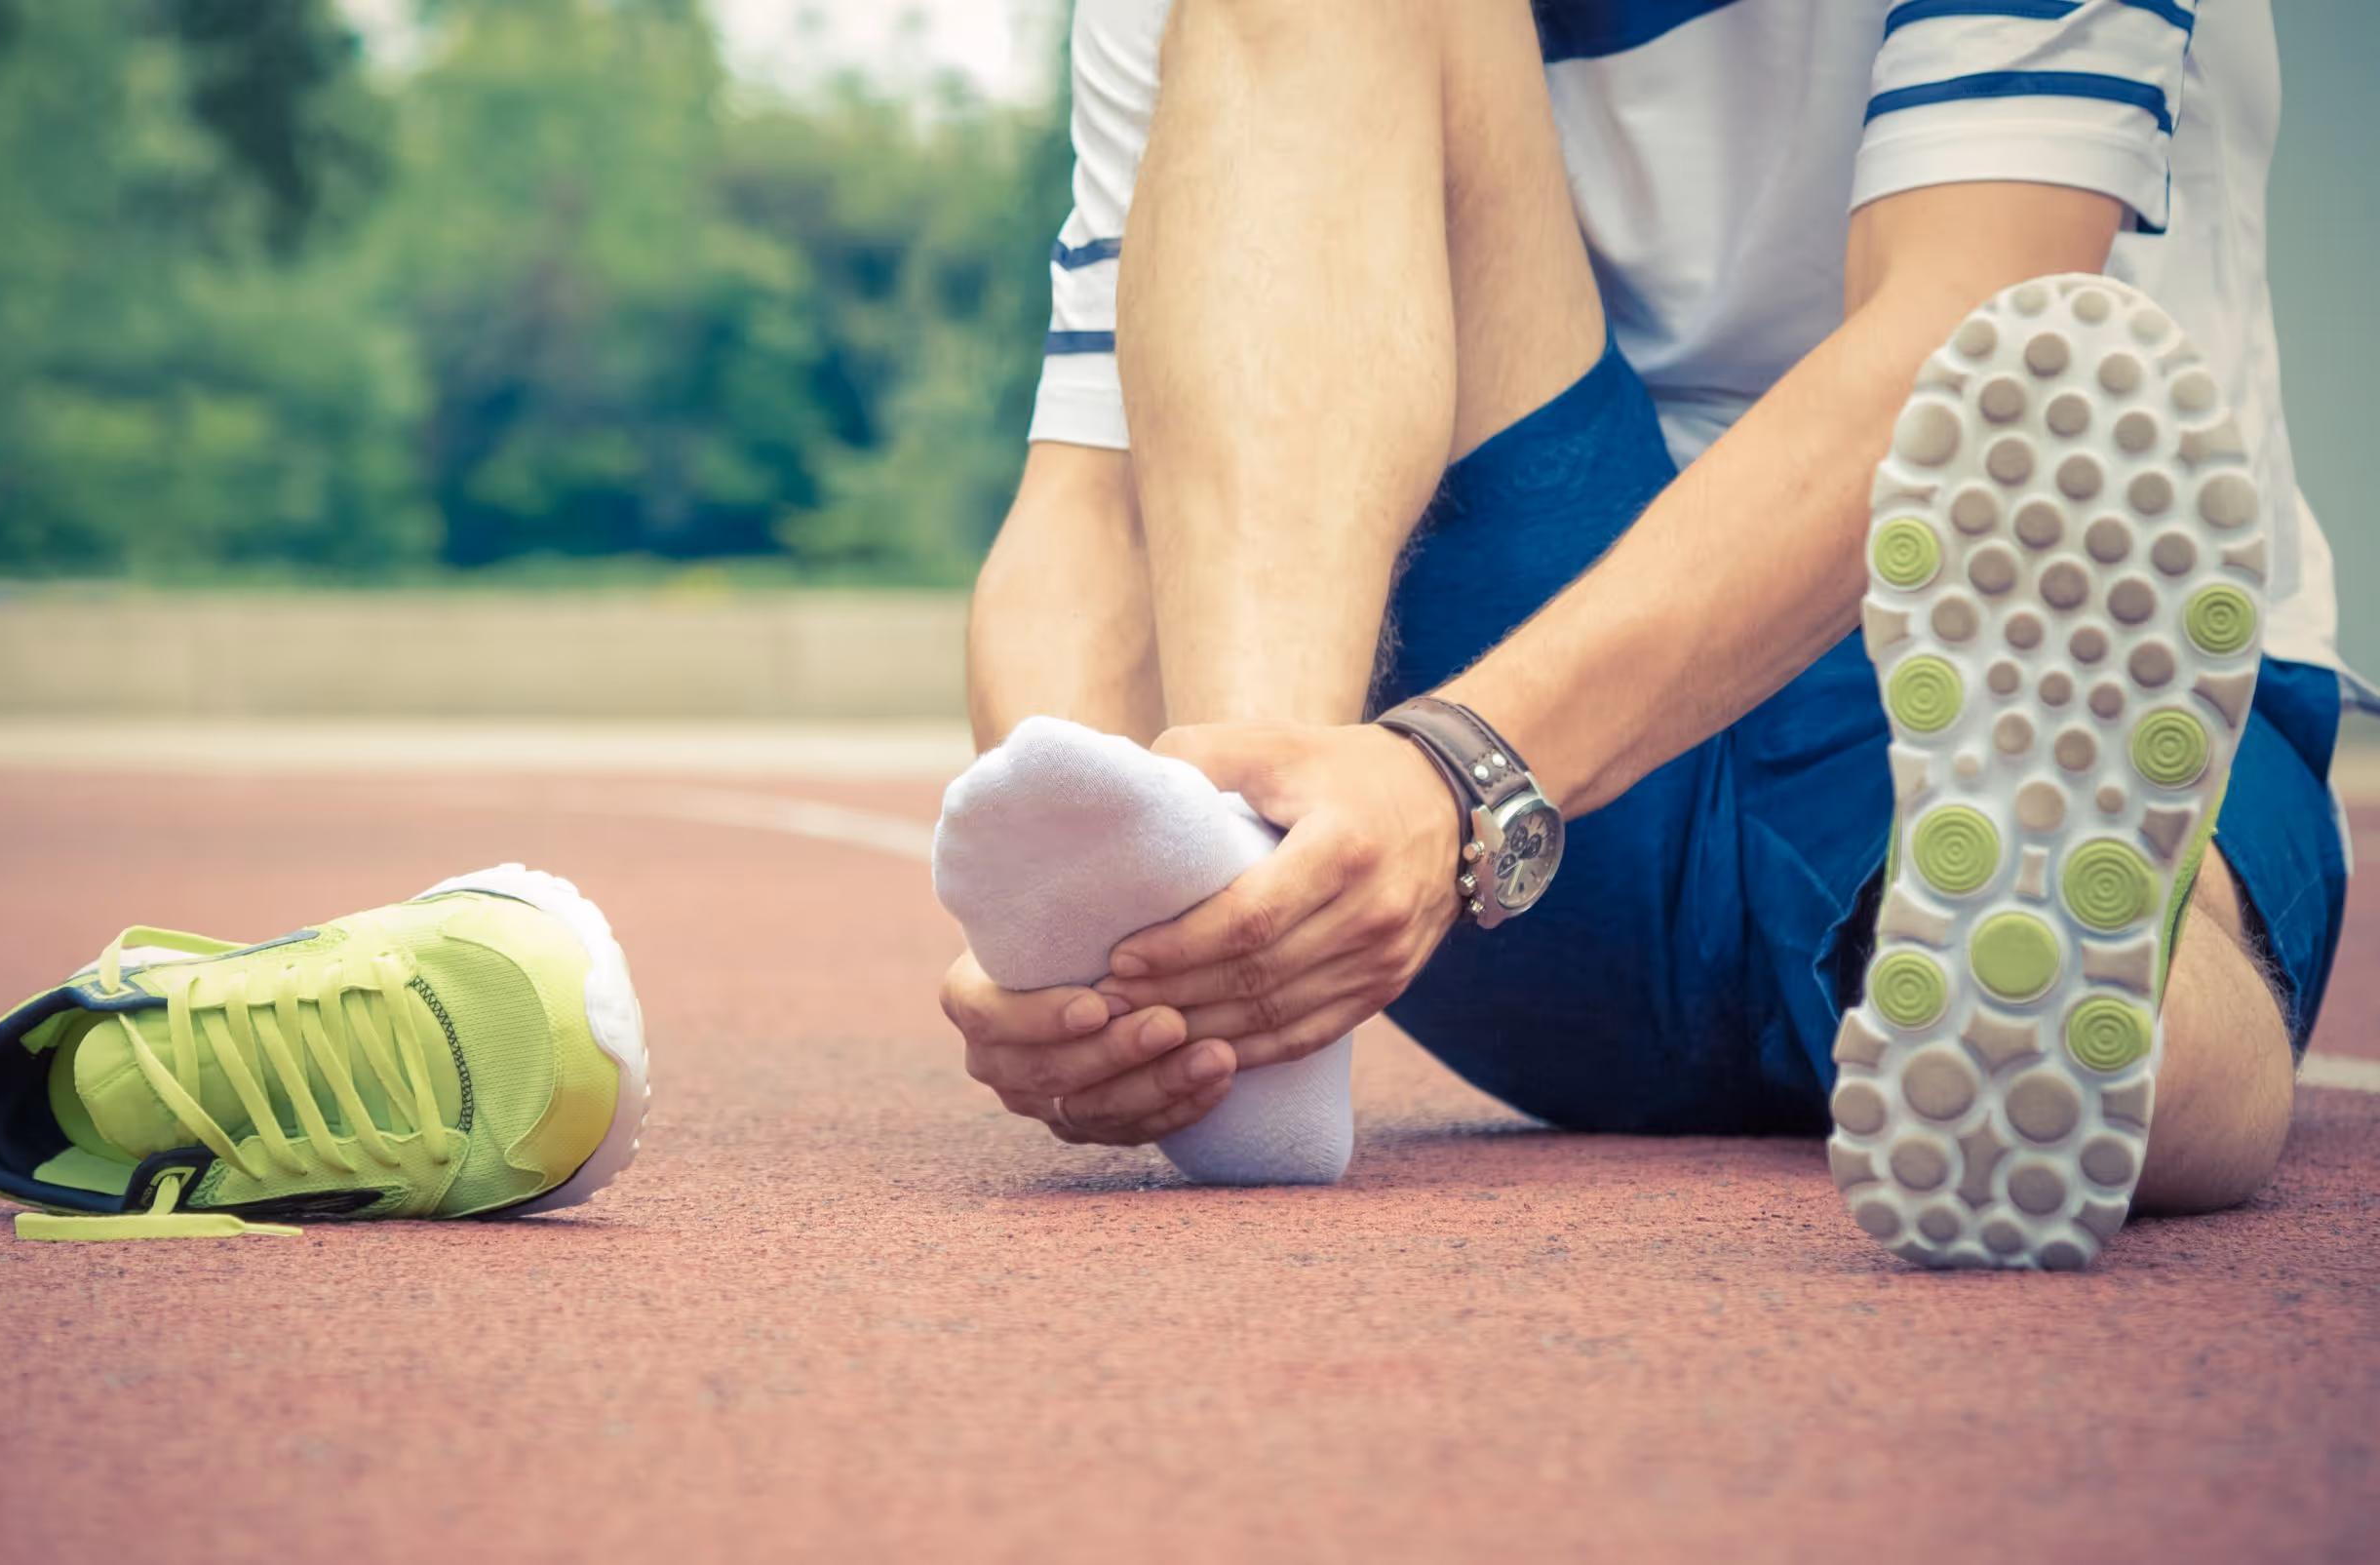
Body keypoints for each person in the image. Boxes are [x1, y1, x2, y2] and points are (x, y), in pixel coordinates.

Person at [930, 0, 2361, 1268]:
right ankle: (1256, 907)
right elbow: (1094, 502)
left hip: (1939, 642)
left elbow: (1968, 324)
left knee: (2105, 918)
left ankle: (2069, 1011)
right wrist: (1100, 930)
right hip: (1455, 831)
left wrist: (1456, 769)